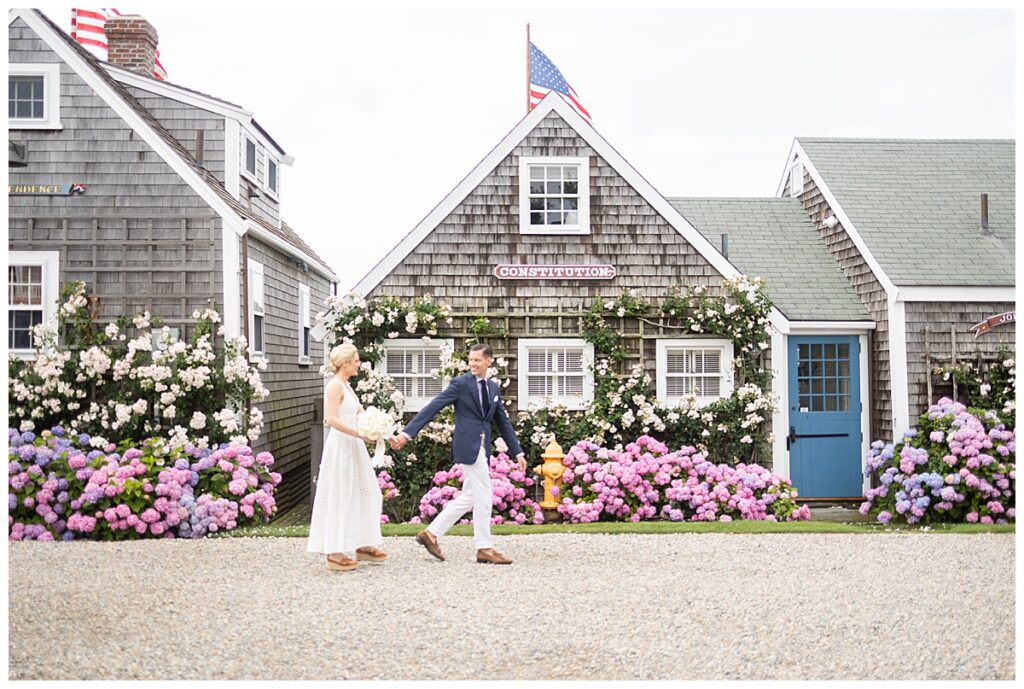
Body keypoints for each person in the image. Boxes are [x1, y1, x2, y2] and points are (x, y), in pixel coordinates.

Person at [389, 343, 526, 565]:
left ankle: (431, 533)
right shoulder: (460, 384)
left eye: (477, 360)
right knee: (484, 495)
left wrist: (517, 451)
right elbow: (433, 407)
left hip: (483, 448)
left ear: (488, 361)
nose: (472, 363)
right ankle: (484, 547)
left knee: (470, 496)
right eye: (470, 360)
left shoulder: (492, 388)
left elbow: (502, 421)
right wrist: (406, 434)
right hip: (467, 447)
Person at [307, 343, 388, 571]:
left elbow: (359, 414)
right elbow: (330, 419)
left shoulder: (347, 386)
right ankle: (334, 552)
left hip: (355, 445)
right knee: (341, 494)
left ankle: (362, 543)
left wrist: (379, 427)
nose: (358, 363)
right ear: (345, 364)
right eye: (356, 360)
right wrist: (359, 433)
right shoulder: (334, 386)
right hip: (341, 445)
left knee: (368, 492)